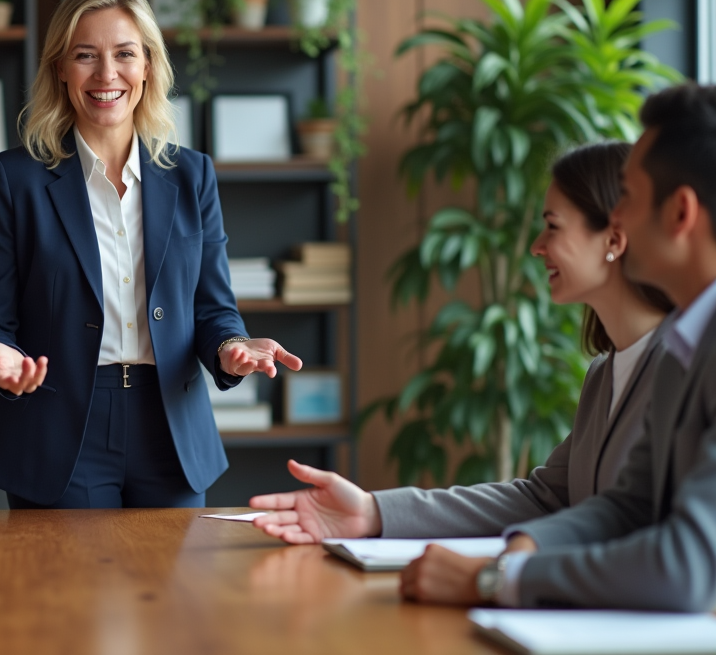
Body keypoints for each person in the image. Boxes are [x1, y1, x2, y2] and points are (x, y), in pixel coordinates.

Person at [0, 0, 302, 509]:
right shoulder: (14, 179)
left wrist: (231, 349)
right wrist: (2, 358)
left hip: (169, 426)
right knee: (60, 593)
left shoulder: (192, 176)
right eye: (85, 55)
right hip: (56, 429)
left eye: (124, 54)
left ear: (147, 66)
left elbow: (214, 308)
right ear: (60, 69)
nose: (106, 74)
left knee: (175, 592)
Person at [248, 142, 674, 543]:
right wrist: (373, 511)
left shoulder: (687, 373)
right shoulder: (606, 374)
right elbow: (545, 500)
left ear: (614, 238)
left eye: (552, 227)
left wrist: (501, 576)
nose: (536, 247)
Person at [399, 82, 716, 611]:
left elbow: (686, 566)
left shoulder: (680, 350)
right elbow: (626, 506)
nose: (619, 220)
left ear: (680, 213)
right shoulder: (687, 350)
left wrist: (496, 581)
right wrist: (524, 549)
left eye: (629, 199)